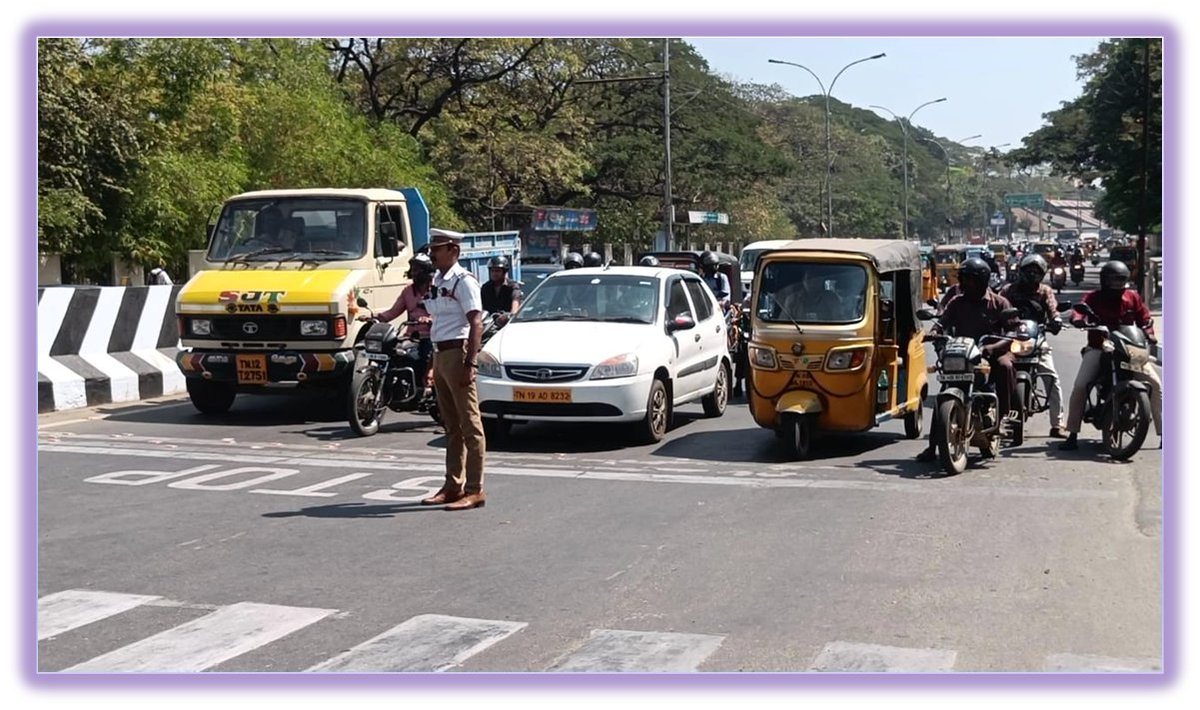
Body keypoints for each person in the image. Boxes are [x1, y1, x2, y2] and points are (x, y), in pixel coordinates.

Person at [917, 257, 1018, 462]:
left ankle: (1003, 419)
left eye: (969, 280)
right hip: (962, 353)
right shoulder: (957, 302)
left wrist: (992, 347)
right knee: (944, 392)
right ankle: (932, 447)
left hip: (991, 353)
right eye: (963, 279)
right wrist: (935, 332)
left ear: (981, 281)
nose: (964, 284)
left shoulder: (999, 303)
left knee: (1005, 366)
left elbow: (1012, 332)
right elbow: (943, 321)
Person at [1059, 260, 1162, 450]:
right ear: (1104, 280)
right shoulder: (1093, 297)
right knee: (1081, 385)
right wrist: (1078, 320)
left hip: (1131, 349)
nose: (1117, 284)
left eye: (1120, 280)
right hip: (1100, 347)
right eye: (1113, 280)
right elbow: (1079, 310)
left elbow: (1145, 319)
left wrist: (1150, 334)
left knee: (1156, 384)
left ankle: (1164, 433)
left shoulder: (1133, 297)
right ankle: (1072, 433)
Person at [420, 228, 487, 510]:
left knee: (470, 424)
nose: (432, 254)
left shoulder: (464, 281)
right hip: (441, 353)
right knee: (452, 426)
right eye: (432, 249)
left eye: (438, 249)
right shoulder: (438, 280)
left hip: (458, 353)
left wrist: (470, 363)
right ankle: (452, 485)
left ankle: (475, 489)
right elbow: (437, 323)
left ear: (453, 251)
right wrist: (431, 364)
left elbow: (476, 323)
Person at [999, 254, 1067, 437]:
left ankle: (1057, 424)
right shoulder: (1008, 290)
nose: (1032, 275)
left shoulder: (1045, 291)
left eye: (1036, 272)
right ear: (1021, 271)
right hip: (1011, 339)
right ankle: (996, 418)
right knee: (995, 372)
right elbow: (997, 306)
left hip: (1037, 340)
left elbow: (1053, 309)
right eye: (1029, 271)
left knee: (1052, 378)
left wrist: (1057, 320)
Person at [363, 253, 436, 393]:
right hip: (411, 336)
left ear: (426, 271)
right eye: (412, 269)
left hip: (432, 336)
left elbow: (445, 314)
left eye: (417, 269)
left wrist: (430, 319)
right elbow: (392, 312)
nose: (413, 273)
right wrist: (373, 317)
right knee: (395, 353)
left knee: (426, 357)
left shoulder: (437, 289)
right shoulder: (407, 291)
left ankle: (427, 386)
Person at [481, 255, 521, 325]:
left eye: (497, 271)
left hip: (506, 324)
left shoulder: (512, 286)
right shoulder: (485, 287)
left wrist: (509, 316)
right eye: (492, 271)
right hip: (488, 325)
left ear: (504, 272)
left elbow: (515, 303)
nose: (494, 273)